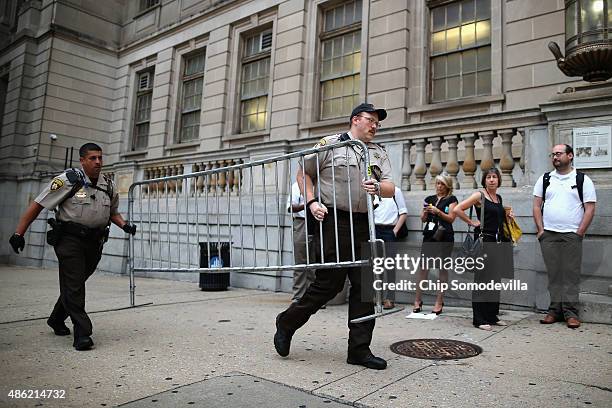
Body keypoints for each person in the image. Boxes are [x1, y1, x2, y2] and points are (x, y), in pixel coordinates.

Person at [274, 103, 394, 370]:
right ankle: (287, 322)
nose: (375, 126)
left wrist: (378, 187)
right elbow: (303, 173)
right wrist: (312, 201)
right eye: (371, 120)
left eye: (378, 123)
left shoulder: (379, 152)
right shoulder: (331, 144)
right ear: (355, 120)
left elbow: (390, 187)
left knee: (365, 287)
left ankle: (359, 350)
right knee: (329, 283)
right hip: (335, 221)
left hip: (365, 222)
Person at [8, 143, 136, 350]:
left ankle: (57, 318)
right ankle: (82, 333)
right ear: (82, 160)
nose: (97, 162)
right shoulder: (68, 180)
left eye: (100, 158)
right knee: (75, 284)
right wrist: (18, 233)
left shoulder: (108, 185)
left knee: (74, 283)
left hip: (95, 242)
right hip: (70, 240)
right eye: (92, 158)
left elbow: (112, 212)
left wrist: (125, 225)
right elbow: (38, 204)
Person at [533, 144, 596, 329]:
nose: (555, 157)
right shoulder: (545, 179)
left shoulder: (582, 179)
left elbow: (590, 207)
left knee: (570, 274)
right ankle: (554, 311)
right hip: (549, 235)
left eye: (559, 154)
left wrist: (579, 233)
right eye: (553, 154)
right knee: (554, 274)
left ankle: (570, 313)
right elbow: (537, 205)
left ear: (570, 156)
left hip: (571, 235)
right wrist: (541, 230)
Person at [453, 168, 513, 330]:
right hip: (484, 241)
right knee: (482, 281)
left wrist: (507, 217)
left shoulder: (498, 198)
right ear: (484, 180)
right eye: (489, 177)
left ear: (499, 180)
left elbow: (497, 219)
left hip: (497, 242)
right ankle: (479, 319)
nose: (492, 180)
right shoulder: (480, 196)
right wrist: (472, 222)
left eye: (494, 177)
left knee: (494, 281)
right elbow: (457, 209)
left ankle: (492, 315)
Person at [413, 174, 458, 315]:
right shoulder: (429, 199)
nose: (439, 186)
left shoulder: (452, 199)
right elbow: (423, 218)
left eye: (442, 184)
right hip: (430, 236)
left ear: (447, 186)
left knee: (442, 269)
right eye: (437, 183)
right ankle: (418, 300)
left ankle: (439, 301)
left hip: (445, 237)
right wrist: (426, 212)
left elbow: (451, 218)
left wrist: (438, 211)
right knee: (423, 268)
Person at [374, 186, 408, 309]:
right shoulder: (372, 191)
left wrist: (395, 231)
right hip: (375, 229)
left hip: (389, 230)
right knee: (377, 265)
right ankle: (377, 296)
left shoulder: (395, 191)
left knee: (390, 265)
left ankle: (390, 298)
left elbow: (403, 212)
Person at [288, 181, 315, 303]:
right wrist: (308, 204)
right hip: (302, 222)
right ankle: (298, 297)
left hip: (317, 222)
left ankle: (313, 297)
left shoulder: (322, 184)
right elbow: (290, 207)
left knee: (315, 264)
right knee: (301, 262)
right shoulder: (297, 186)